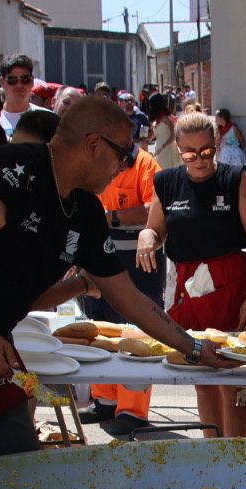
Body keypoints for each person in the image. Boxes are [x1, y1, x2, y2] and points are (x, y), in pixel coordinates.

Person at [0, 96, 237, 475]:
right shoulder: (14, 169)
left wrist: (195, 349)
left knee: (13, 465)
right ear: (93, 144)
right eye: (122, 154)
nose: (126, 165)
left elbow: (128, 298)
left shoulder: (86, 210)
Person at [138, 111, 246, 439]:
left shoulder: (236, 179)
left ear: (217, 145)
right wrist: (146, 238)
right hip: (187, 287)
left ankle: (238, 455)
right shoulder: (167, 183)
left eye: (207, 151)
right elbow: (155, 229)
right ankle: (212, 451)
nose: (199, 159)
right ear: (178, 149)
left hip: (231, 284)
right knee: (201, 375)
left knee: (231, 381)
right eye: (190, 153)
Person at [80, 138, 164, 434]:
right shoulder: (92, 161)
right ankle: (104, 398)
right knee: (99, 327)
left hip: (138, 259)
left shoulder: (145, 163)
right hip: (99, 254)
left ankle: (133, 410)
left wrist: (109, 217)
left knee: (136, 330)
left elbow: (152, 208)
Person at [0, 56, 36, 136]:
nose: (19, 85)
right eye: (12, 80)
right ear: (2, 82)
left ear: (32, 81)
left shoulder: (46, 118)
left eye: (25, 79)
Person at [146, 92, 181, 170]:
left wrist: (163, 146)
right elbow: (156, 134)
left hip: (168, 149)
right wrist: (147, 138)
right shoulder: (157, 120)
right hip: (159, 149)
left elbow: (173, 135)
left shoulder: (166, 118)